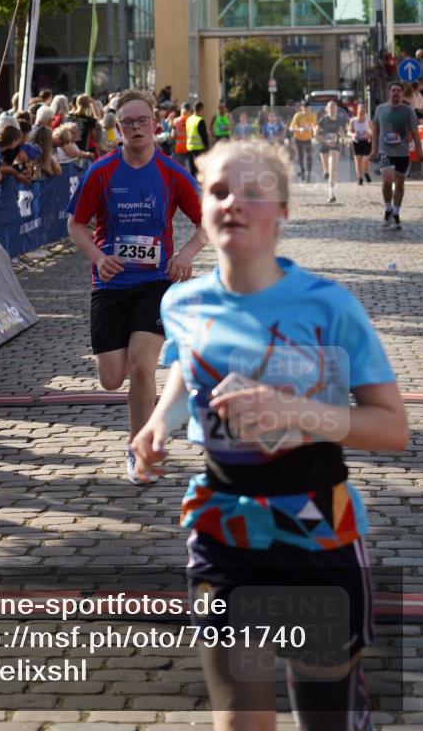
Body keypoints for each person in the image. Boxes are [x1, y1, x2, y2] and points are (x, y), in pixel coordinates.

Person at [131, 139, 409, 731]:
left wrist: (296, 412)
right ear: (201, 210)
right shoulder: (182, 301)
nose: (235, 203)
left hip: (317, 530)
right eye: (220, 191)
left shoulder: (329, 306)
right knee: (239, 717)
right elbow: (187, 365)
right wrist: (159, 422)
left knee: (323, 718)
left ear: (282, 212)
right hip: (221, 528)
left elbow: (392, 429)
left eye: (254, 193)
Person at [67, 90, 205, 484]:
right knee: (112, 377)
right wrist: (97, 257)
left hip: (154, 283)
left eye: (142, 121)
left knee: (143, 368)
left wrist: (186, 255)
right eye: (127, 123)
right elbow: (75, 224)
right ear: (118, 130)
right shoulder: (102, 171)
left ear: (155, 125)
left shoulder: (173, 173)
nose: (136, 128)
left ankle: (139, 450)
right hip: (110, 284)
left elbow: (205, 223)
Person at [370, 81, 422, 230]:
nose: (395, 93)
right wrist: (373, 150)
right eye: (393, 90)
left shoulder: (408, 111)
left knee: (399, 183)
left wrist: (419, 151)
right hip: (385, 151)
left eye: (398, 90)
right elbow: (375, 131)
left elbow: (414, 132)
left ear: (401, 93)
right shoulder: (380, 109)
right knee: (388, 179)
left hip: (402, 153)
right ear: (389, 92)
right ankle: (388, 208)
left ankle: (396, 213)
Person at [314, 101, 345, 204]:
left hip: (335, 147)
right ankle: (325, 172)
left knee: (333, 170)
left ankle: (331, 194)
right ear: (327, 109)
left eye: (334, 107)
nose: (332, 108)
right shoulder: (323, 119)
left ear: (336, 109)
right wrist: (324, 141)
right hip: (324, 147)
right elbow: (315, 134)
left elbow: (341, 132)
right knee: (327, 170)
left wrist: (345, 139)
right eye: (330, 107)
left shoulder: (339, 120)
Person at [288, 99, 316, 182]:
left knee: (309, 156)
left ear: (310, 108)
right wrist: (299, 129)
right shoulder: (298, 115)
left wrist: (311, 128)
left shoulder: (312, 116)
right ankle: (303, 172)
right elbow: (291, 128)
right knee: (300, 156)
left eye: (307, 108)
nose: (306, 109)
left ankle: (308, 175)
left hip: (308, 139)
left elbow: (315, 126)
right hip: (298, 139)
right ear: (302, 108)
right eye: (304, 108)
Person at [347, 103, 373, 186]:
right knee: (358, 160)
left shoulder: (368, 121)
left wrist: (368, 133)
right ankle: (360, 178)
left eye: (362, 112)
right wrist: (353, 135)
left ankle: (366, 172)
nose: (361, 114)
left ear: (365, 112)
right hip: (357, 142)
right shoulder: (353, 121)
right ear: (357, 112)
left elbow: (372, 131)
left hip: (366, 141)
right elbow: (349, 132)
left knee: (366, 159)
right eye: (359, 112)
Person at [186, 101, 209, 175]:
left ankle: (192, 185)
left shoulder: (188, 119)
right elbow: (204, 136)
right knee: (199, 170)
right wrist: (206, 148)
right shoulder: (200, 120)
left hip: (189, 148)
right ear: (201, 109)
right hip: (199, 148)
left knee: (192, 169)